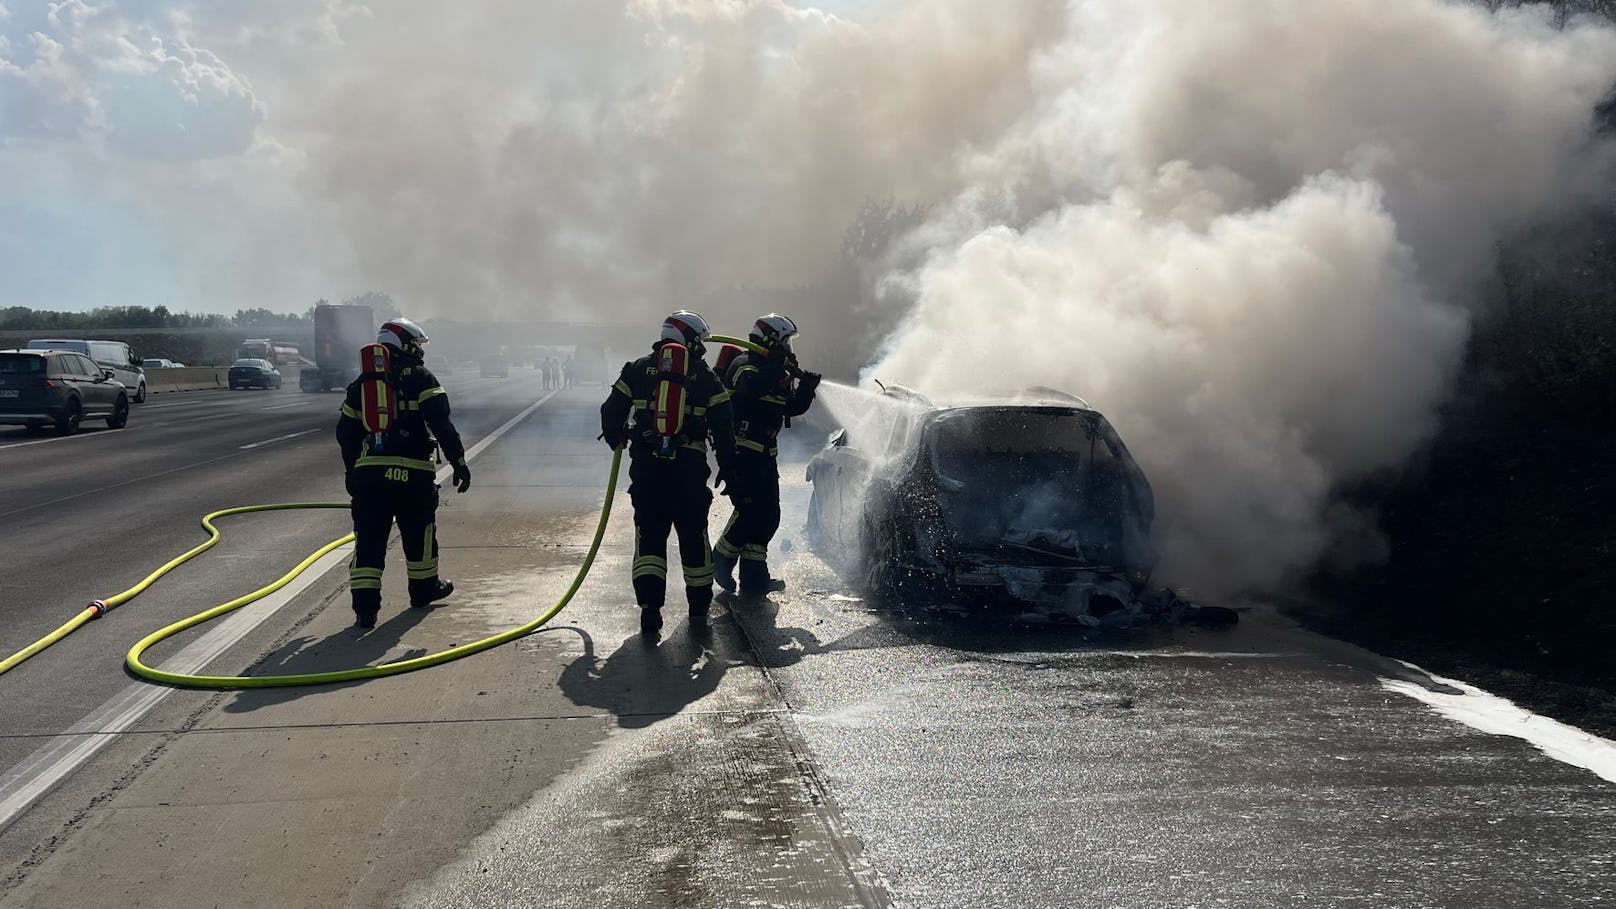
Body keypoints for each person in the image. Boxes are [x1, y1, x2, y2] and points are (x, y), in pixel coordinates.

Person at [599, 310, 736, 635]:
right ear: (687, 338)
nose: (701, 349)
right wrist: (729, 470)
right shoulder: (704, 377)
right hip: (688, 474)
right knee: (693, 536)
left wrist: (619, 437)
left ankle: (650, 610)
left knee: (649, 537)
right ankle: (699, 609)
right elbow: (724, 428)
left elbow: (609, 411)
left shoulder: (636, 369)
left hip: (647, 471)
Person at [336, 318, 473, 629]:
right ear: (405, 343)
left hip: (370, 476)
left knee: (369, 539)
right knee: (419, 534)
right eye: (416, 344)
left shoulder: (363, 384)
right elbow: (442, 423)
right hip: (414, 475)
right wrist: (459, 462)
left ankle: (365, 609)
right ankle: (424, 589)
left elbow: (346, 433)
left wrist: (352, 471)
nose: (419, 350)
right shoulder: (422, 377)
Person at [713, 314, 821, 601]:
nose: (788, 347)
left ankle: (754, 580)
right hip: (743, 453)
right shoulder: (744, 365)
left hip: (765, 455)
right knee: (749, 513)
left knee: (769, 516)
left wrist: (806, 389)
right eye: (785, 341)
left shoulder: (775, 372)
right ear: (772, 340)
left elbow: (790, 408)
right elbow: (751, 389)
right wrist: (776, 367)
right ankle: (720, 560)